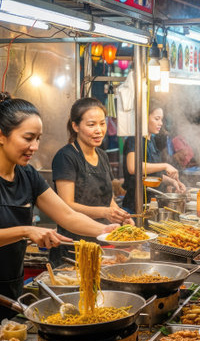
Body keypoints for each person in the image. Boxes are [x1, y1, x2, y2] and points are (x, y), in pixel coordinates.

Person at [0, 94, 117, 318]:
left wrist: (106, 231)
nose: (34, 147)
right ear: (1, 136)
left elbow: (67, 214)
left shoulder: (27, 175)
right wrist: (27, 231)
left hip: (12, 287)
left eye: (38, 139)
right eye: (28, 138)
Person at [50, 98, 132, 264]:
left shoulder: (102, 155)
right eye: (91, 124)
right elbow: (67, 204)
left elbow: (108, 198)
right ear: (75, 126)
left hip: (103, 242)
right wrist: (104, 212)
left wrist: (120, 217)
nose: (99, 130)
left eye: (102, 123)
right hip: (73, 246)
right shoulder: (66, 157)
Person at [122, 102, 186, 213]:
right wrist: (165, 165)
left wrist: (172, 182)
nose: (160, 123)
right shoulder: (134, 140)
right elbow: (133, 167)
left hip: (151, 204)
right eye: (157, 119)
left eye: (161, 119)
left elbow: (151, 175)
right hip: (135, 205)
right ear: (144, 118)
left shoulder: (151, 142)